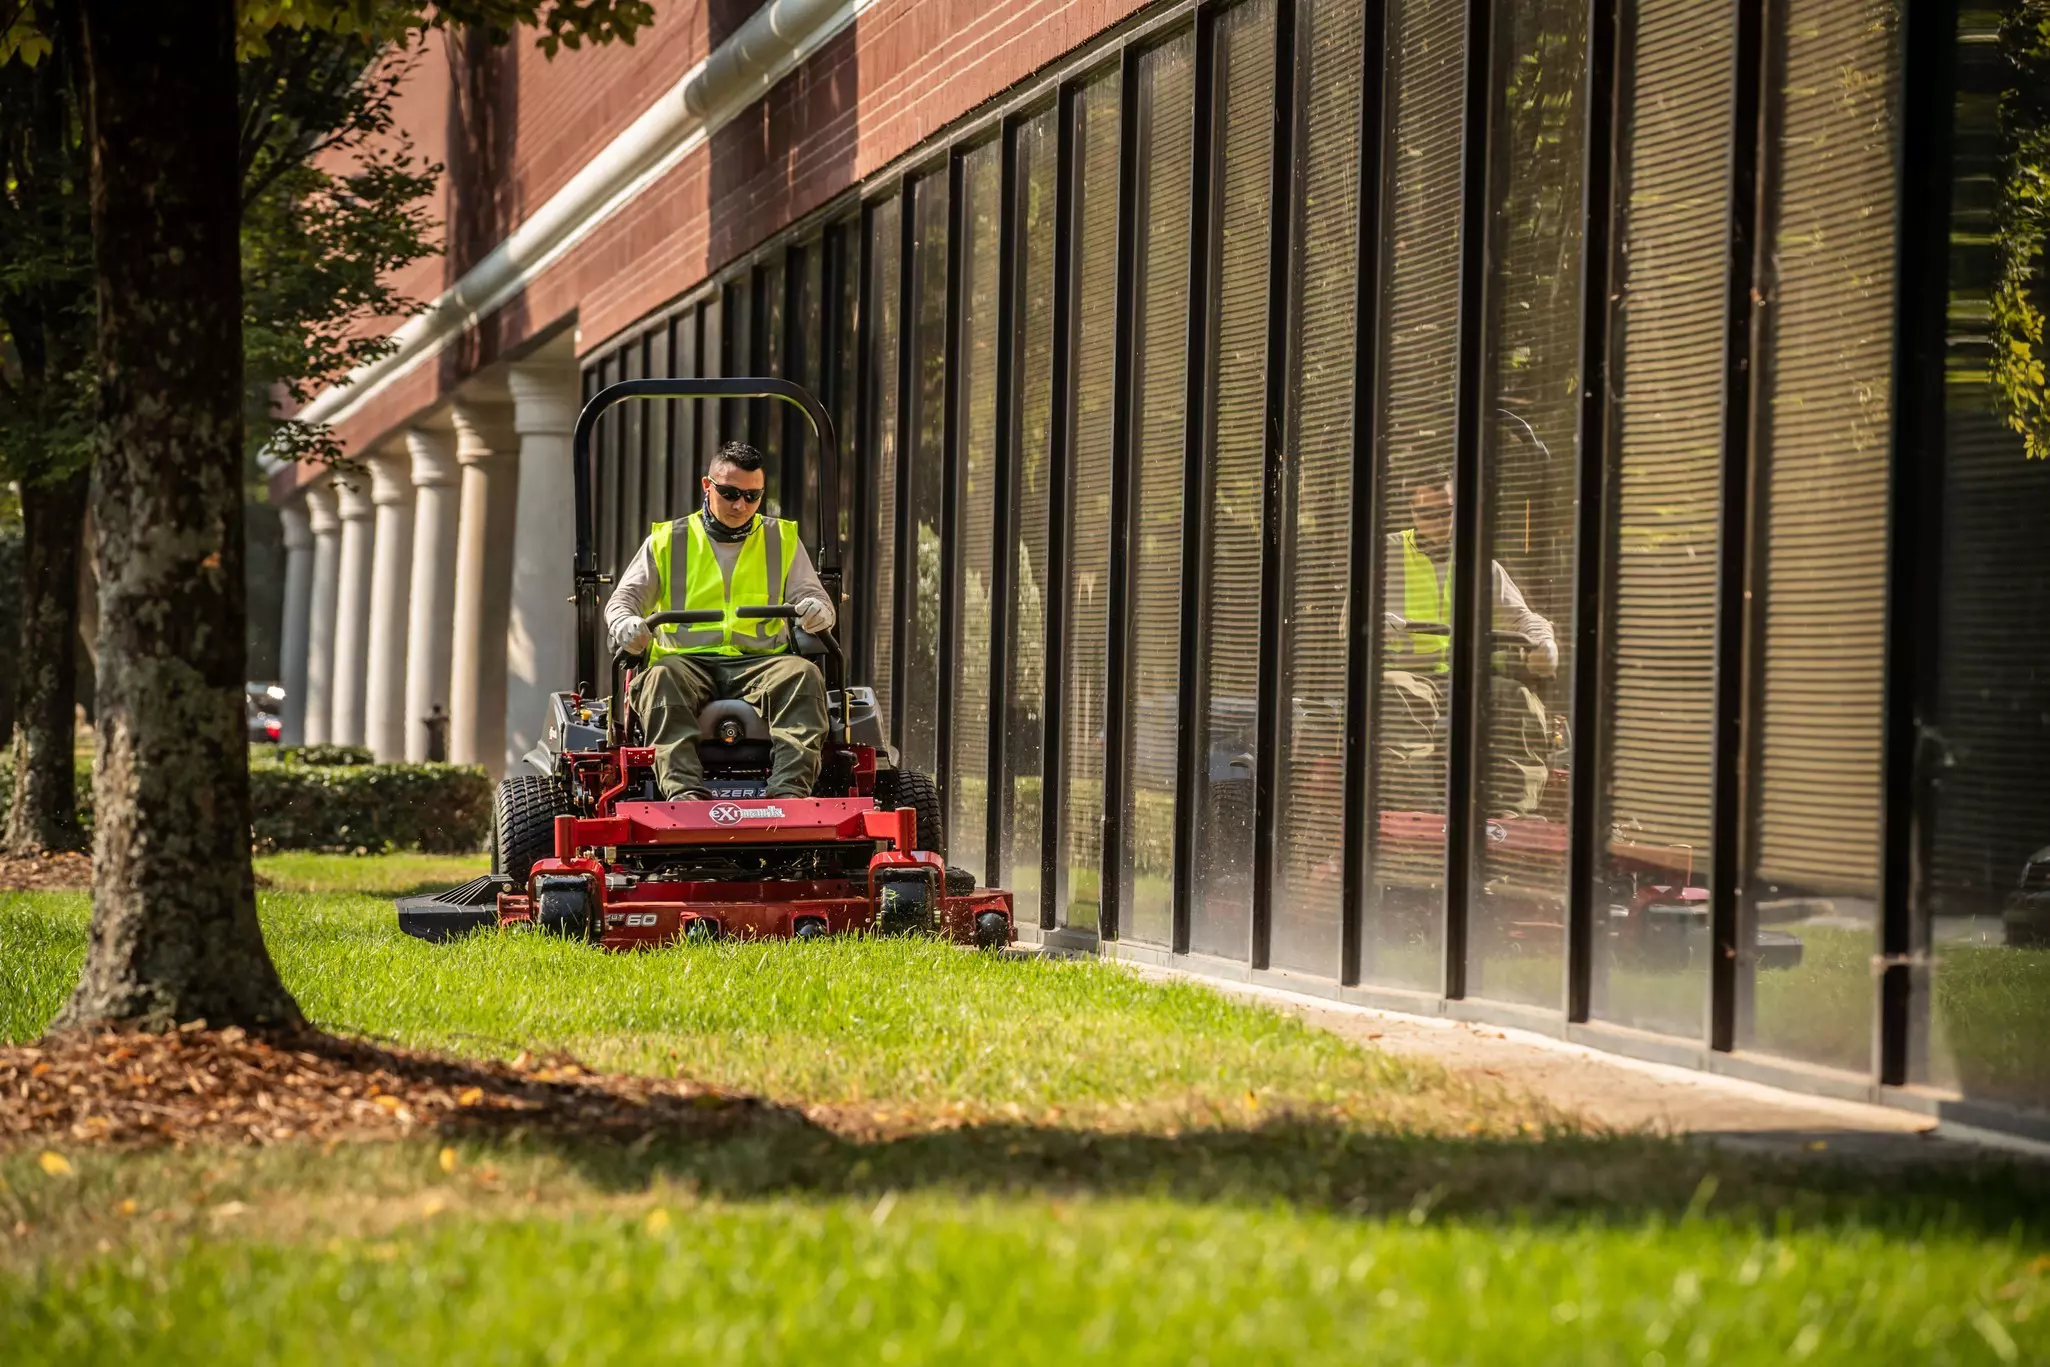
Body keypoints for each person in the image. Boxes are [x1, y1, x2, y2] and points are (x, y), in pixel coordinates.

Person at [605, 441, 836, 799]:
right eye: (729, 493)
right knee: (659, 680)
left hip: (762, 663)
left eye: (752, 496)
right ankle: (684, 796)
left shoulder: (782, 539)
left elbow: (815, 597)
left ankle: (788, 797)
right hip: (685, 664)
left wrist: (818, 609)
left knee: (804, 675)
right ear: (707, 486)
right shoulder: (668, 540)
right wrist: (626, 624)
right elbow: (624, 601)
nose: (740, 505)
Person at [1380, 477, 1558, 817]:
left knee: (1515, 697)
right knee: (1399, 690)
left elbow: (1521, 617)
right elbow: (1351, 621)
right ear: (1413, 513)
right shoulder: (1385, 555)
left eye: (1446, 512)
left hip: (1465, 679)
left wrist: (1543, 641)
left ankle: (1511, 814)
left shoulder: (1479, 562)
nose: (1438, 521)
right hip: (1412, 674)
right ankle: (1416, 810)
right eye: (1427, 513)